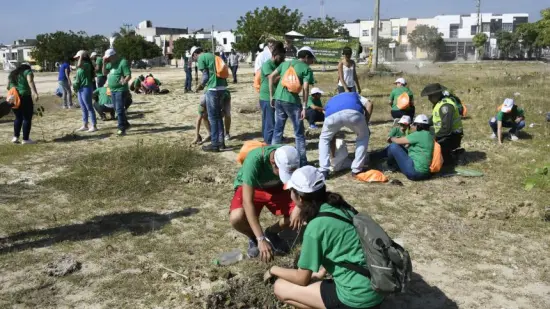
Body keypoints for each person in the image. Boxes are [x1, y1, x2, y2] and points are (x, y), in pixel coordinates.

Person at [267, 166, 384, 309]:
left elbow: (301, 279)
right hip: (377, 287)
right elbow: (340, 246)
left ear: (300, 197)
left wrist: (273, 269)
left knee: (280, 287)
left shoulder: (315, 227)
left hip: (356, 298)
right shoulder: (341, 207)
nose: (290, 194)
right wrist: (322, 271)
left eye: (291, 191)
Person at [229, 145, 301, 261]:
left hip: (277, 188)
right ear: (273, 162)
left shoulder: (292, 156)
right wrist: (260, 238)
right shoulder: (254, 159)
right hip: (254, 188)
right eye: (281, 172)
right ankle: (254, 237)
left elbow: (301, 187)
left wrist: (298, 207)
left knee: (302, 214)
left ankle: (271, 232)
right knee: (236, 218)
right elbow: (248, 202)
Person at [269, 46, 316, 166]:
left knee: (278, 130)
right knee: (299, 133)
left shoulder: (285, 64)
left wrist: (271, 96)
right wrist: (305, 108)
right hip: (292, 102)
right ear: (306, 57)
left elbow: (271, 77)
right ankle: (302, 161)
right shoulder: (306, 69)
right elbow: (305, 88)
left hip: (278, 98)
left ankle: (272, 159)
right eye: (311, 59)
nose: (312, 62)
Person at [318, 93, 372, 178]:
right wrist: (366, 123)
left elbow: (325, 112)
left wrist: (333, 155)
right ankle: (357, 169)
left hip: (331, 115)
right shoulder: (354, 94)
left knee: (324, 138)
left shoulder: (331, 100)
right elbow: (369, 104)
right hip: (353, 112)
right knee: (363, 136)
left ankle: (324, 170)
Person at [192, 46, 228, 152]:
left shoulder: (201, 58)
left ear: (195, 54)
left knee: (212, 118)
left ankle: (215, 144)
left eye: (193, 58)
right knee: (218, 116)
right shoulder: (212, 55)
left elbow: (206, 76)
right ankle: (221, 143)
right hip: (222, 88)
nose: (195, 60)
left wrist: (200, 86)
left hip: (213, 89)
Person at [382, 115, 434, 181]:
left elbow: (398, 141)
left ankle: (388, 165)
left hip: (414, 172)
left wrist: (391, 138)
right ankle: (389, 163)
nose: (412, 126)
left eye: (414, 124)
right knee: (399, 148)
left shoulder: (418, 134)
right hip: (426, 173)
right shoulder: (430, 135)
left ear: (418, 125)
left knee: (393, 146)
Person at [421, 83, 463, 165]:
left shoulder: (446, 106)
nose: (429, 99)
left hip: (451, 136)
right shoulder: (438, 104)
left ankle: (455, 154)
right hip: (442, 135)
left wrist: (433, 139)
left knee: (433, 156)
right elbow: (433, 119)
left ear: (436, 94)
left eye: (430, 96)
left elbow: (446, 129)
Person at [259, 41, 286, 145]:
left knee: (272, 121)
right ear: (275, 56)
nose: (283, 59)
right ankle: (269, 142)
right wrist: (285, 74)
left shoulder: (279, 64)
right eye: (281, 57)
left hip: (276, 96)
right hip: (267, 97)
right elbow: (273, 80)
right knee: (269, 122)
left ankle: (270, 139)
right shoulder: (267, 65)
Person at [103, 49, 132, 136]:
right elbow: (104, 73)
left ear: (113, 55)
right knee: (116, 108)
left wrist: (124, 81)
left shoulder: (123, 62)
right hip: (112, 90)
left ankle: (121, 128)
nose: (108, 59)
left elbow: (128, 75)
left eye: (109, 58)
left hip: (121, 90)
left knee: (119, 109)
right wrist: (104, 63)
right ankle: (126, 123)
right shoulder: (110, 63)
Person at [8, 64, 39, 144]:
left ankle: (15, 137)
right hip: (24, 96)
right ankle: (25, 139)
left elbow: (8, 87)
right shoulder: (27, 72)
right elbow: (30, 81)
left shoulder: (12, 74)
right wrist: (34, 92)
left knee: (18, 118)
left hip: (13, 98)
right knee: (27, 118)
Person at [73, 50, 97, 132]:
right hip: (80, 88)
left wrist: (81, 55)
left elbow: (79, 65)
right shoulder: (81, 65)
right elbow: (78, 70)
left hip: (86, 87)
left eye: (78, 58)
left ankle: (94, 125)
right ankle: (85, 125)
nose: (76, 60)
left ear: (82, 57)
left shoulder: (86, 65)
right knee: (83, 107)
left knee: (89, 107)